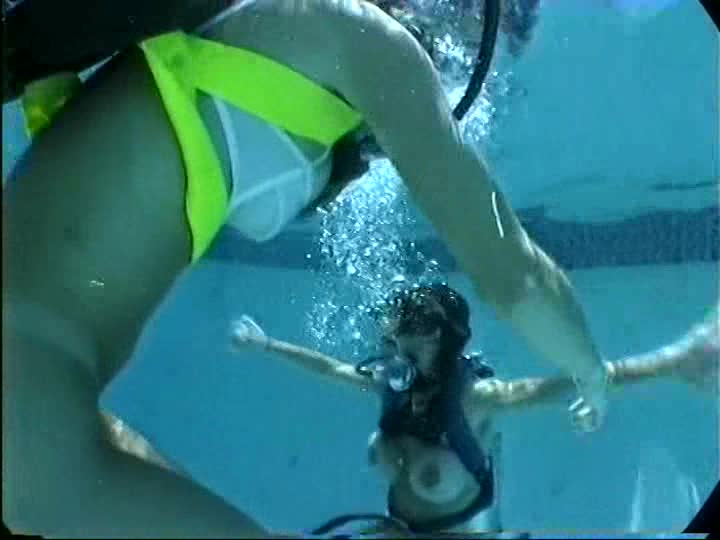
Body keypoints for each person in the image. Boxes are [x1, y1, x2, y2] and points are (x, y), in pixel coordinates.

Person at [4, 0, 612, 535]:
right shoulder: (365, 39)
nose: (451, 80)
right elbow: (514, 272)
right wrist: (589, 366)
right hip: (32, 412)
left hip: (40, 405)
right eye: (483, 46)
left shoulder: (287, 29)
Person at [230, 285, 719, 537]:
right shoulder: (392, 384)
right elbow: (329, 368)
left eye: (403, 345)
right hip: (398, 527)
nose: (391, 356)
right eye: (389, 344)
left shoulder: (476, 398)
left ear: (438, 341)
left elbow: (576, 380)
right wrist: (267, 344)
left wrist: (671, 362)